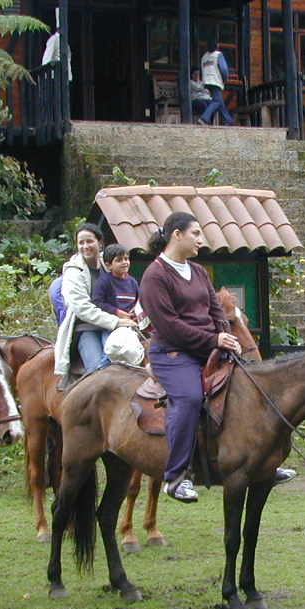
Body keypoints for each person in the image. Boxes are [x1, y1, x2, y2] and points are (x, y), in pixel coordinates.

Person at [139, 211, 241, 502]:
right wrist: (213, 340)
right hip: (172, 353)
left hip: (209, 349)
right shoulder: (154, 276)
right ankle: (176, 477)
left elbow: (216, 310)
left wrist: (225, 338)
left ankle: (257, 460)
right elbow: (169, 325)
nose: (200, 240)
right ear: (177, 234)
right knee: (189, 398)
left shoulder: (198, 271)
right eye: (195, 233)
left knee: (246, 385)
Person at [54, 223, 137, 384]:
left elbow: (126, 287)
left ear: (100, 242)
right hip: (87, 327)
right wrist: (116, 321)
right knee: (98, 372)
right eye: (81, 242)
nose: (85, 246)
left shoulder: (110, 261)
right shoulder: (73, 271)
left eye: (89, 241)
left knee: (129, 359)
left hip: (114, 324)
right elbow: (82, 308)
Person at [199, 40, 233, 126]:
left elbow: (201, 70)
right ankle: (204, 118)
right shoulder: (218, 55)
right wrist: (225, 78)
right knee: (216, 101)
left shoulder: (204, 57)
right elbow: (224, 69)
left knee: (220, 102)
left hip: (206, 81)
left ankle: (227, 120)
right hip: (215, 80)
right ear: (217, 46)